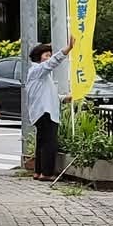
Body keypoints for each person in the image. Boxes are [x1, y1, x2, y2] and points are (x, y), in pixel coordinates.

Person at [23, 36, 71, 180]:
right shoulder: (37, 70)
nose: (49, 58)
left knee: (42, 142)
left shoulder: (41, 75)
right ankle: (47, 173)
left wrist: (63, 98)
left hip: (42, 111)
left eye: (50, 55)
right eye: (46, 55)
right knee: (49, 142)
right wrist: (66, 50)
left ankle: (38, 172)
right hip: (45, 112)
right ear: (38, 57)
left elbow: (47, 95)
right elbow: (51, 63)